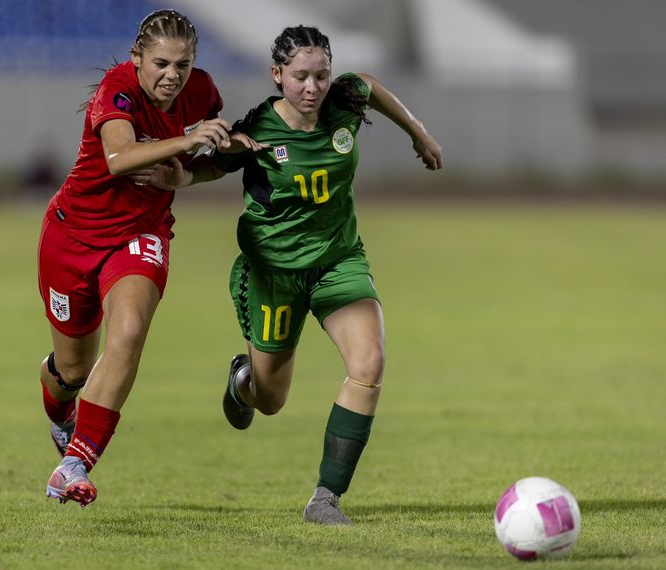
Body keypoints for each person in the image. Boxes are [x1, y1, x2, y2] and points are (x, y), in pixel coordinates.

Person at [147, 25, 443, 524]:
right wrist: (180, 176)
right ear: (277, 75)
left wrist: (418, 131)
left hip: (338, 261)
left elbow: (370, 84)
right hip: (274, 274)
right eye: (301, 77)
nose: (313, 87)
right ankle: (243, 381)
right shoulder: (258, 127)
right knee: (271, 401)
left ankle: (325, 498)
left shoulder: (346, 99)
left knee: (368, 363)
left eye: (321, 75)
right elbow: (212, 166)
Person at [36, 8, 234, 507]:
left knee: (128, 332)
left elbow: (210, 162)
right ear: (137, 59)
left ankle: (74, 465)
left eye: (182, 65)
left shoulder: (204, 93)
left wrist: (189, 175)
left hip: (141, 235)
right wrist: (187, 139)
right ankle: (62, 413)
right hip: (72, 238)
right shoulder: (116, 88)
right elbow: (119, 158)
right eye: (162, 64)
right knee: (72, 371)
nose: (172, 76)